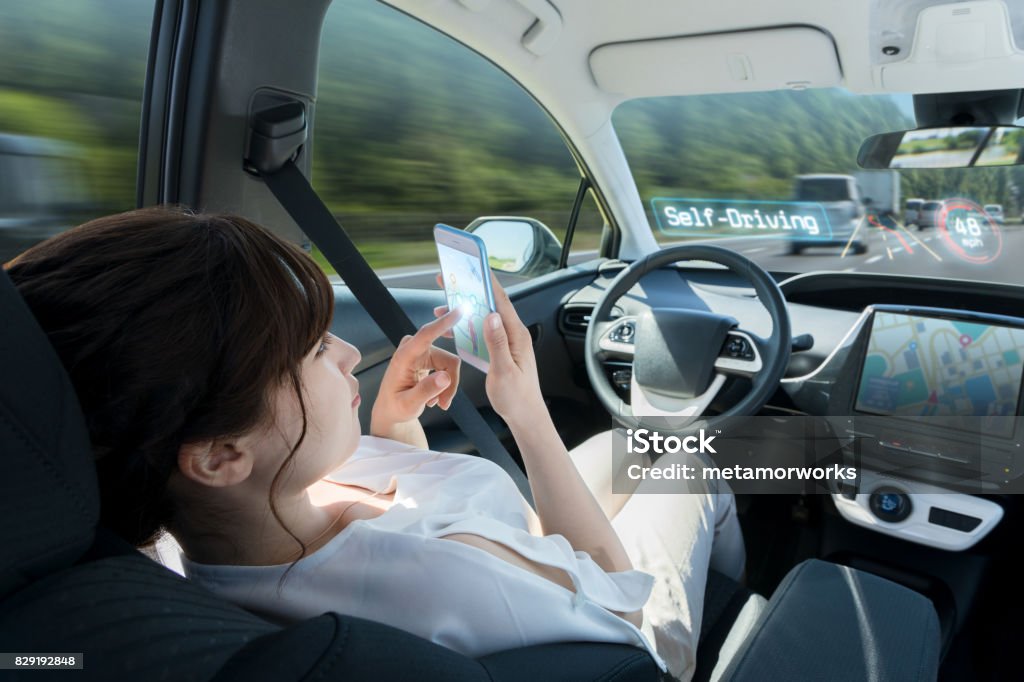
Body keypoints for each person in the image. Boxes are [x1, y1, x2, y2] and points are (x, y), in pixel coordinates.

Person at [6, 206, 744, 681]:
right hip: (631, 640)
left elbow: (391, 521)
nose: (343, 355)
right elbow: (615, 592)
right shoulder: (450, 579)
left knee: (629, 451)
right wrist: (526, 415)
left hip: (534, 575)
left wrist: (394, 431)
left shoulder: (181, 544)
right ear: (219, 457)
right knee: (688, 458)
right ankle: (733, 604)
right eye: (307, 353)